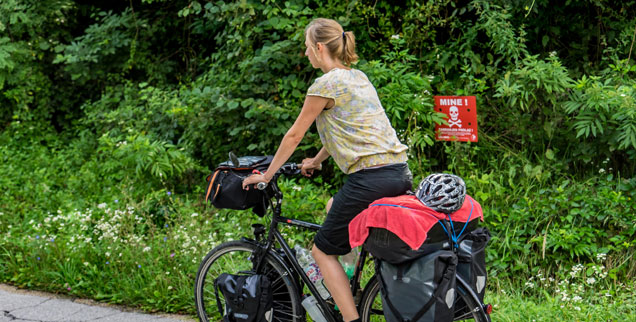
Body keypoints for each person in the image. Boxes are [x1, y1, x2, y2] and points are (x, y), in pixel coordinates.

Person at [242, 18, 412, 322]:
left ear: (320, 47)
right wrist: (318, 159)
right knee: (334, 204)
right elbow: (353, 129)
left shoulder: (325, 84)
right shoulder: (358, 77)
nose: (306, 54)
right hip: (397, 173)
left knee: (322, 251)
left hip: (369, 179)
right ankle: (347, 283)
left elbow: (294, 135)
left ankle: (350, 318)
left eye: (308, 48)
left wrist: (266, 176)